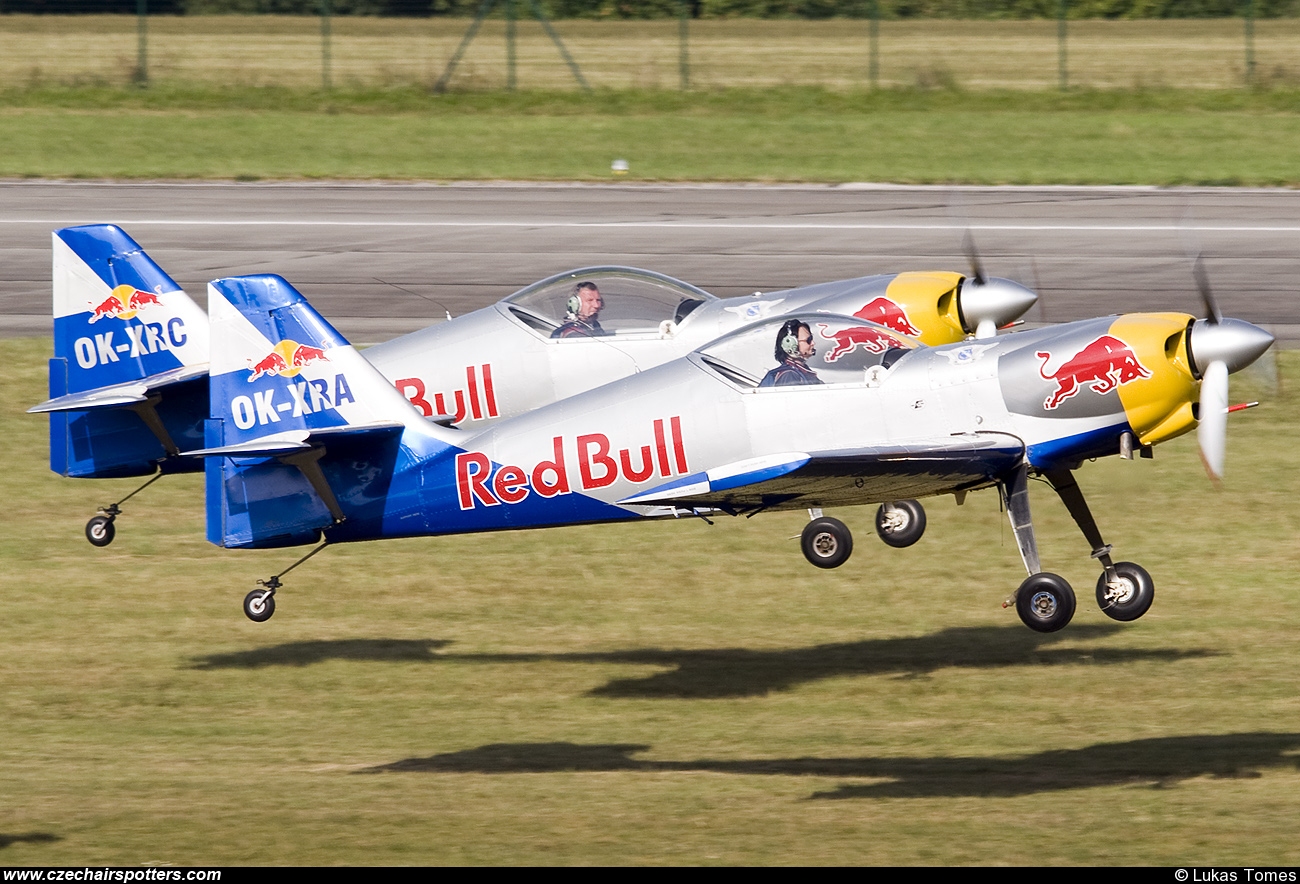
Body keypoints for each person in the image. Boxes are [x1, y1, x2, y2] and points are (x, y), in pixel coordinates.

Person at [759, 319, 823, 387]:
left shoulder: (803, 371)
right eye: (808, 340)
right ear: (791, 344)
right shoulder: (789, 375)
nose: (813, 343)